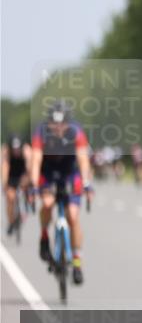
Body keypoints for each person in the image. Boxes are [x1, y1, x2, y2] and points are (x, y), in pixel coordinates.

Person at [30, 100, 92, 284]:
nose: (57, 127)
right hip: (48, 173)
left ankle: (77, 261)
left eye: (62, 124)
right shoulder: (41, 132)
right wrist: (34, 186)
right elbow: (35, 160)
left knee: (73, 216)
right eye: (53, 123)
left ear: (68, 123)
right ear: (48, 122)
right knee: (48, 204)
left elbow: (83, 159)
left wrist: (87, 183)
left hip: (69, 172)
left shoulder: (76, 131)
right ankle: (44, 236)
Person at [2, 135, 32, 235]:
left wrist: (28, 181)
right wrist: (5, 183)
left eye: (17, 149)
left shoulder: (26, 150)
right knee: (10, 197)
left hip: (22, 174)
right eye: (14, 149)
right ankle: (11, 221)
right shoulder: (6, 151)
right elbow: (5, 168)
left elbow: (29, 169)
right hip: (11, 175)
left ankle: (27, 204)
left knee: (27, 187)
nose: (16, 151)